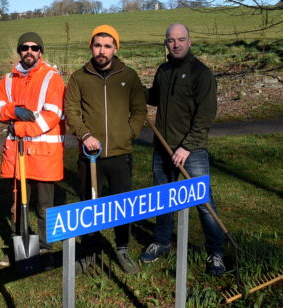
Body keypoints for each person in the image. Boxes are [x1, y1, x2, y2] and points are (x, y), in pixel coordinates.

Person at [140, 23, 225, 275]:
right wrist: (133, 91)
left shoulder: (201, 73)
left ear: (189, 41)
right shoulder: (164, 70)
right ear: (165, 43)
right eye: (170, 40)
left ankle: (216, 253)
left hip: (192, 151)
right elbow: (155, 97)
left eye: (181, 39)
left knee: (204, 202)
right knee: (162, 200)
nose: (175, 44)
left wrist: (186, 147)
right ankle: (161, 242)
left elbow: (206, 115)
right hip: (163, 148)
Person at [65, 25, 147, 274]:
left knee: (122, 205)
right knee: (89, 204)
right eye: (98, 45)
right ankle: (88, 251)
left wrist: (129, 133)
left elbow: (140, 110)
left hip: (121, 154)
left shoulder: (129, 76)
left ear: (115, 48)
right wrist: (85, 135)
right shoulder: (79, 77)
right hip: (90, 155)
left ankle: (122, 249)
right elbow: (71, 111)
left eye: (107, 46)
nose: (102, 50)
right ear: (91, 47)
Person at [0, 32, 65, 270]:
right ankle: (20, 247)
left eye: (34, 47)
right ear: (19, 51)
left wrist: (20, 126)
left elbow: (52, 115)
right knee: (18, 203)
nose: (29, 51)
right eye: (24, 47)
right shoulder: (8, 79)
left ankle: (45, 246)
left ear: (40, 51)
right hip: (18, 153)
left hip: (44, 153)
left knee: (45, 205)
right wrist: (14, 110)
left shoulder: (51, 77)